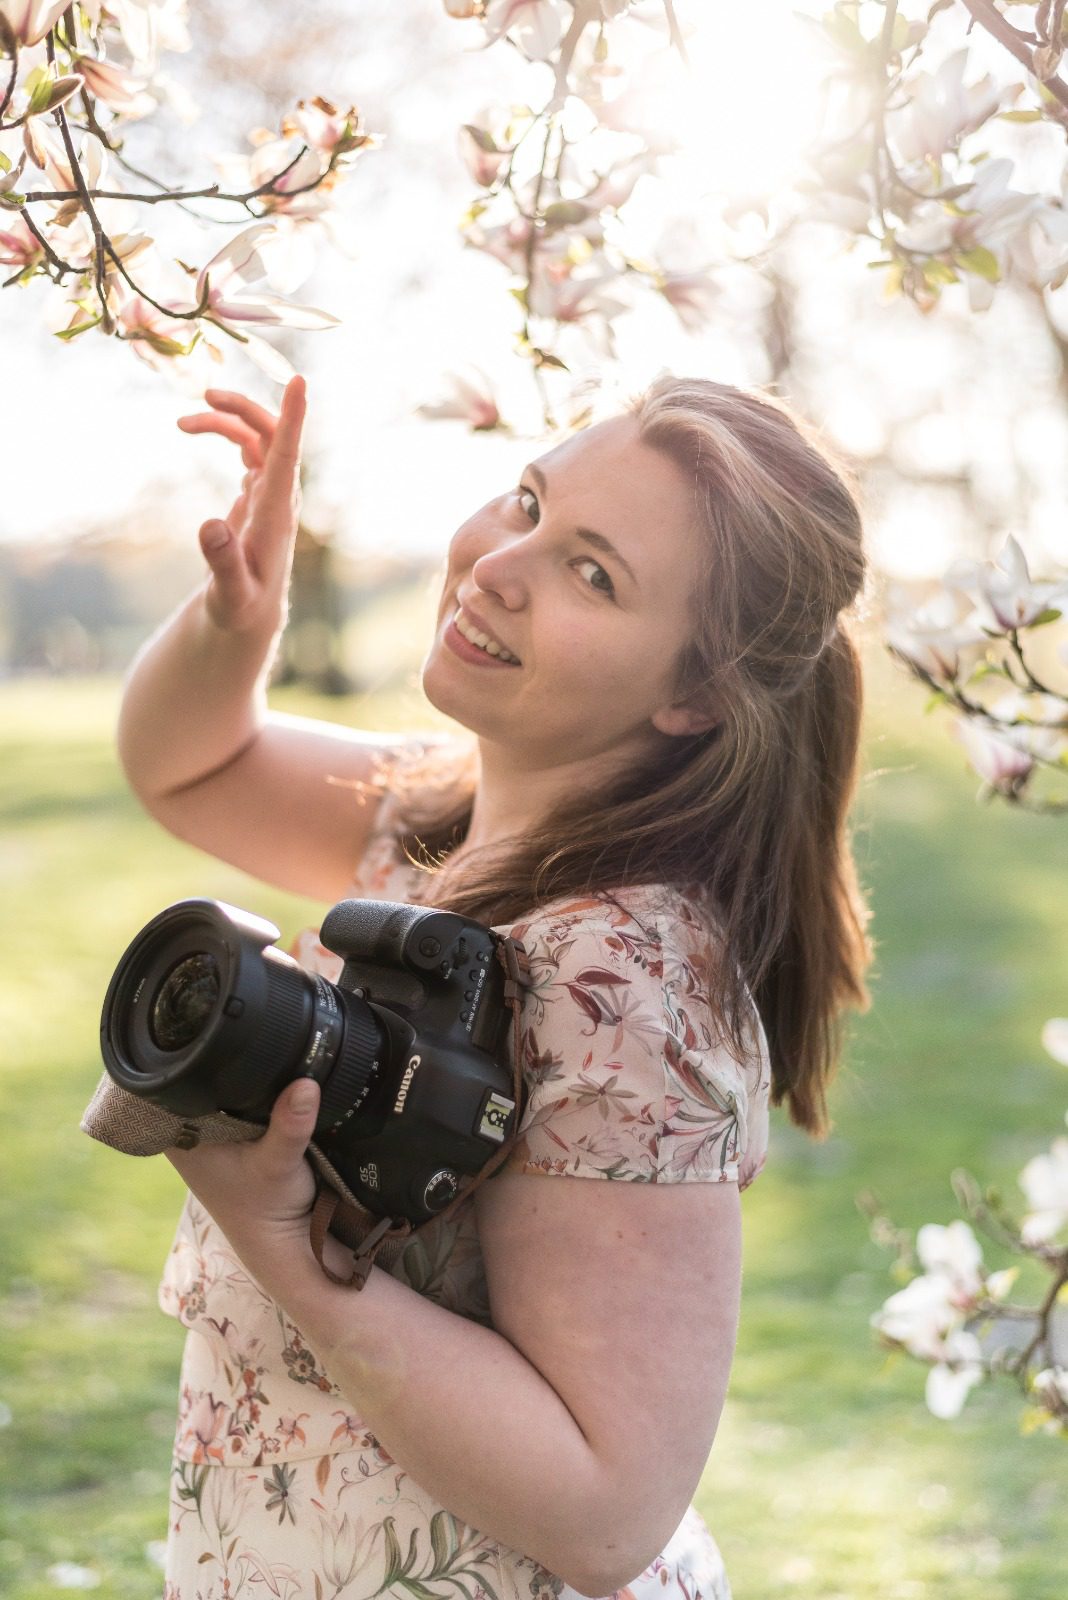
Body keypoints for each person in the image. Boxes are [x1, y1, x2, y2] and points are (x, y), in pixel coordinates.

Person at [108, 370, 873, 1600]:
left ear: (697, 695)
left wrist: (287, 1246)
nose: (498, 565)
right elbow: (191, 765)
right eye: (527, 503)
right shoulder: (442, 833)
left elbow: (609, 1509)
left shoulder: (629, 982)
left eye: (593, 573)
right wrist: (236, 625)